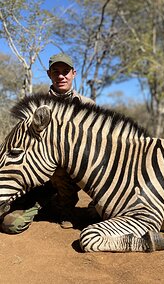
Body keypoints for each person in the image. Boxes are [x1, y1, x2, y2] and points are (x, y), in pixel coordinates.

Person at [1, 53, 95, 234]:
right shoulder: (35, 106)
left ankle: (65, 207)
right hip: (37, 175)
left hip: (71, 173)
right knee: (9, 220)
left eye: (66, 71)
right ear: (49, 74)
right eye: (56, 71)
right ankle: (46, 203)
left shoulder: (88, 105)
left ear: (74, 73)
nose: (61, 76)